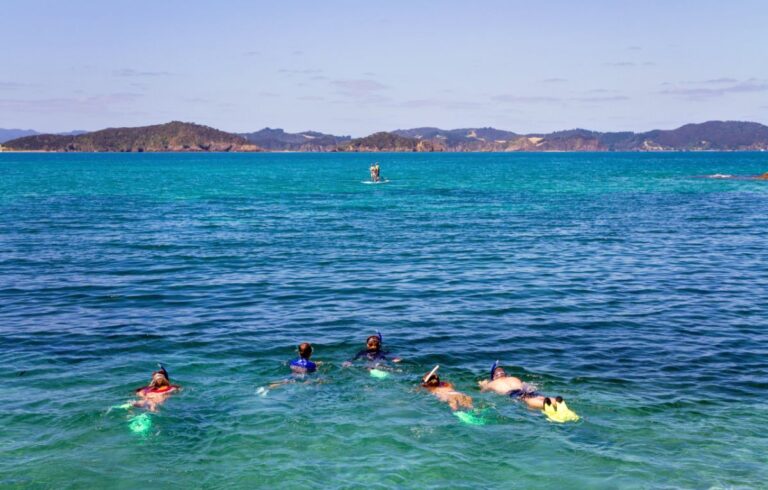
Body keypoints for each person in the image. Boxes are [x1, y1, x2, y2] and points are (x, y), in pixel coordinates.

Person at [479, 362, 575, 413]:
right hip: (524, 390)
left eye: (500, 371)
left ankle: (546, 404)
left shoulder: (493, 383)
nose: (500, 373)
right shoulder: (510, 379)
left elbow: (482, 391)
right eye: (498, 372)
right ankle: (555, 401)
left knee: (528, 400)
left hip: (516, 393)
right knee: (536, 396)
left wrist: (483, 385)